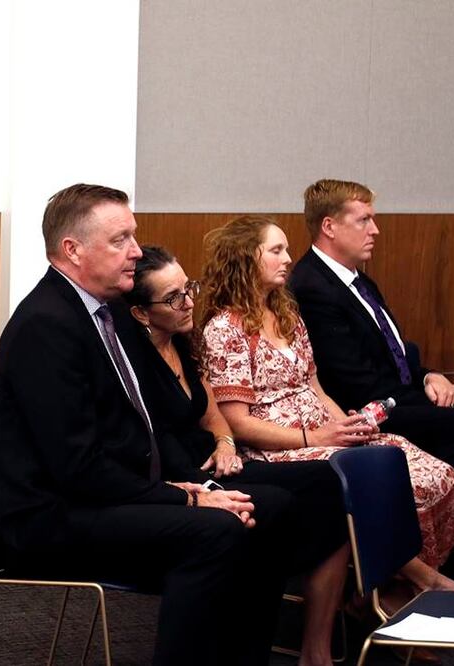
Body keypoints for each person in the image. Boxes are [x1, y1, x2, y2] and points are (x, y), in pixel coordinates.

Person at [0, 183, 302, 665]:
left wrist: (183, 485)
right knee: (214, 530)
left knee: (273, 506)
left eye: (133, 236)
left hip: (103, 492)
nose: (136, 251)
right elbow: (77, 467)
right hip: (50, 516)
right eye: (120, 240)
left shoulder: (102, 311)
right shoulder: (46, 326)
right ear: (72, 250)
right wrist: (186, 495)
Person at [196, 215, 454, 597]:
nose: (288, 258)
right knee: (382, 480)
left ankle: (392, 586)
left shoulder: (287, 314)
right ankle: (408, 586)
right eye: (276, 250)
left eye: (286, 249)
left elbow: (315, 386)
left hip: (324, 430)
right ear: (246, 259)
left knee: (427, 468)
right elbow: (238, 424)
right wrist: (317, 435)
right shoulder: (225, 329)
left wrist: (348, 424)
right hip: (275, 447)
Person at [121, 244, 349, 666]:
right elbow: (151, 443)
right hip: (180, 474)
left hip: (213, 460)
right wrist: (203, 481)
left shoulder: (183, 341)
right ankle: (247, 645)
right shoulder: (132, 359)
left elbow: (214, 417)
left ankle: (312, 646)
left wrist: (225, 444)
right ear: (140, 313)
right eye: (174, 298)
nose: (190, 301)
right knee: (271, 509)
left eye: (189, 288)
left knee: (326, 481)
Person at [289, 178, 454, 513]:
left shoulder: (358, 279)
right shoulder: (313, 288)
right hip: (366, 412)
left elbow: (396, 355)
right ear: (329, 226)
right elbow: (358, 385)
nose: (376, 230)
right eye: (363, 220)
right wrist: (449, 401)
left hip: (399, 395)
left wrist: (433, 378)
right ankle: (451, 553)